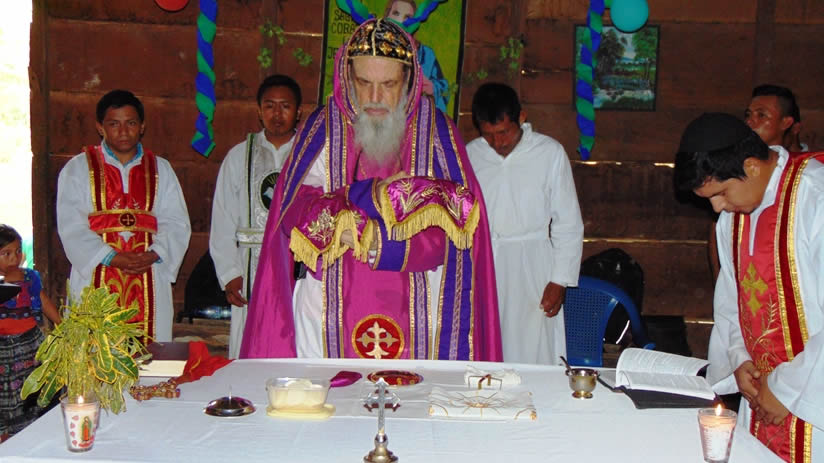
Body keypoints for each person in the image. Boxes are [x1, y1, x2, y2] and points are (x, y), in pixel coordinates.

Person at [240, 18, 502, 361]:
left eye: (388, 84)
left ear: (408, 79)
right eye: (364, 83)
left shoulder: (437, 132)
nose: (375, 98)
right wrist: (365, 202)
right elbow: (292, 210)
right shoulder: (323, 127)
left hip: (418, 310)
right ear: (347, 77)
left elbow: (460, 226)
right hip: (327, 307)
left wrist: (382, 241)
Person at [674, 112, 824, 462]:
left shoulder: (815, 197)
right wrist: (739, 360)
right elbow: (733, 302)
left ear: (752, 166)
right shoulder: (732, 217)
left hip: (812, 399)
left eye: (721, 193)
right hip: (762, 395)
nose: (717, 207)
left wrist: (786, 390)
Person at [56, 90, 191, 344]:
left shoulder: (160, 169)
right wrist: (112, 257)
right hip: (97, 272)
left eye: (130, 123)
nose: (123, 131)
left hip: (149, 272)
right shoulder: (78, 168)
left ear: (142, 126)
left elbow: (177, 223)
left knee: (150, 353)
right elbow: (71, 225)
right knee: (95, 354)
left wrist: (155, 254)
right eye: (114, 124)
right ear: (100, 127)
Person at [466, 83, 584, 364]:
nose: (497, 143)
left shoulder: (549, 153)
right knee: (488, 345)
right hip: (485, 264)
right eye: (488, 135)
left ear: (521, 117)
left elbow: (568, 222)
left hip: (534, 266)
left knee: (534, 345)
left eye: (503, 132)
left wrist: (560, 280)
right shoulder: (470, 155)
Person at [209, 75, 302, 358]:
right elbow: (223, 217)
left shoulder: (309, 155)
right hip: (250, 265)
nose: (277, 114)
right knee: (250, 342)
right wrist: (230, 274)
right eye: (270, 106)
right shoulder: (239, 156)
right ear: (259, 111)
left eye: (285, 106)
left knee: (296, 336)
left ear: (298, 111)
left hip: (297, 265)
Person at [709, 84, 807, 281]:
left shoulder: (809, 179)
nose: (750, 122)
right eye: (748, 115)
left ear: (787, 122)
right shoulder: (736, 172)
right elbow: (718, 234)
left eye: (761, 115)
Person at [0, 224, 61, 441]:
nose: (14, 258)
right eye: (6, 253)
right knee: (9, 395)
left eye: (17, 251)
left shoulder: (29, 277)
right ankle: (8, 436)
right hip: (4, 351)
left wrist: (62, 324)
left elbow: (43, 301)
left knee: (36, 388)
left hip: (32, 345)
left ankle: (38, 431)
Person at [384, 0, 450, 113]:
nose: (401, 21)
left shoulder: (426, 54)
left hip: (416, 117)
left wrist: (432, 88)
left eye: (407, 17)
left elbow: (445, 89)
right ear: (387, 16)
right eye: (396, 13)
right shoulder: (373, 50)